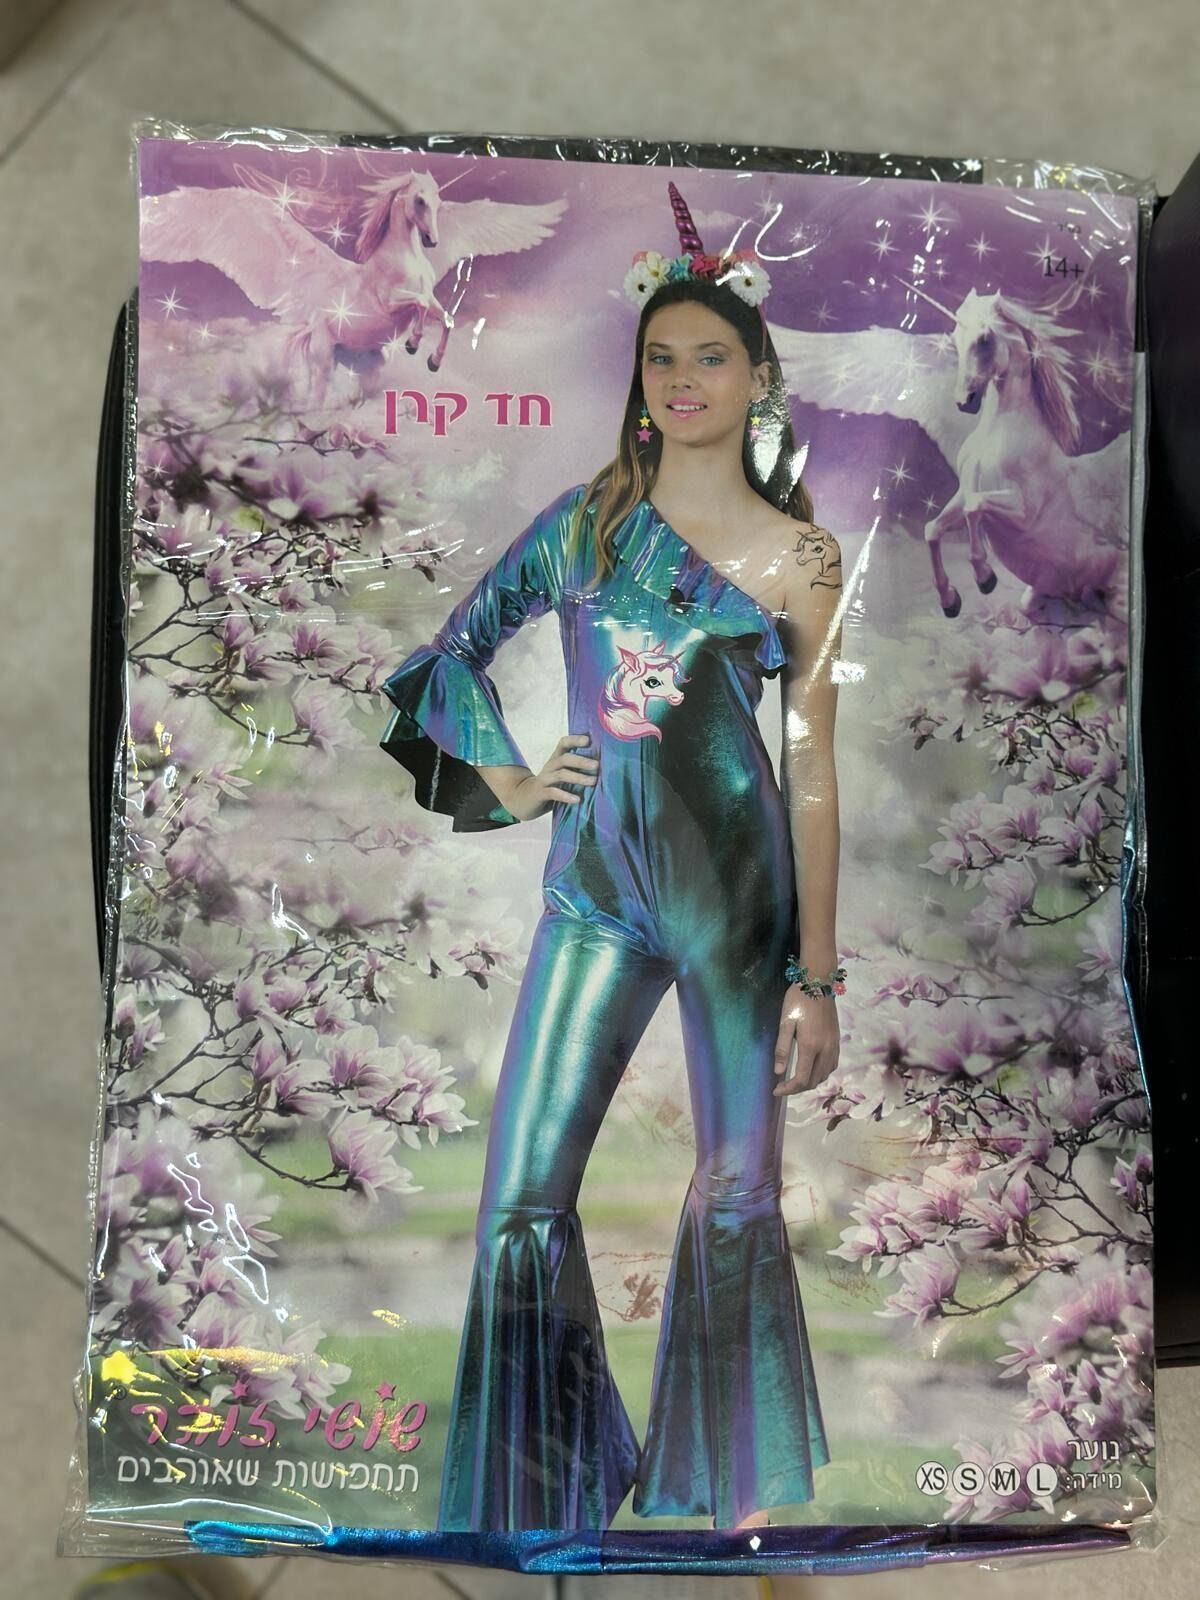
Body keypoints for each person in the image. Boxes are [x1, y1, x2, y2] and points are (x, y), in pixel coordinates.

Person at [379, 183, 844, 1534]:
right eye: (663, 358)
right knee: (522, 1193)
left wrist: (819, 975)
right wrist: (518, 782)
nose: (685, 380)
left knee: (739, 1187)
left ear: (757, 378)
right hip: (594, 894)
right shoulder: (583, 527)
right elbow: (454, 650)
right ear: (639, 381)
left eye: (713, 357)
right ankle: (547, 1484)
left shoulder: (803, 559)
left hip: (738, 901)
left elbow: (814, 770)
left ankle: (734, 1497)